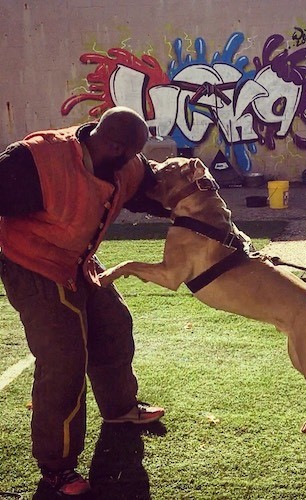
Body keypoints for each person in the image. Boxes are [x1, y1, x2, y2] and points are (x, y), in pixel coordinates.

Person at [0, 106, 170, 495]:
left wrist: (194, 196)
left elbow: (152, 190)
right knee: (64, 359)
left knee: (113, 323)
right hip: (32, 263)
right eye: (128, 156)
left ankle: (120, 409)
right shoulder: (36, 159)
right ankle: (57, 468)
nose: (133, 166)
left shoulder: (125, 162)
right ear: (111, 144)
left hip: (78, 258)